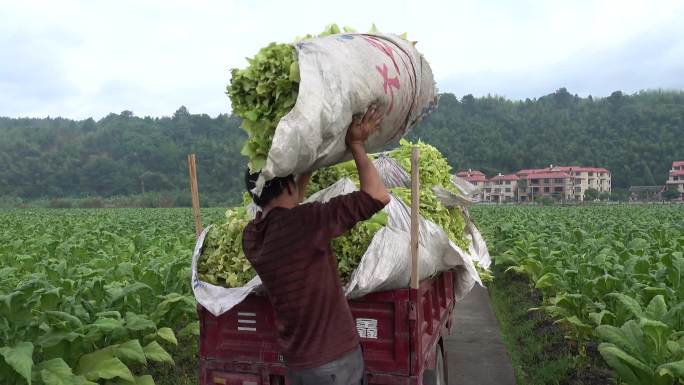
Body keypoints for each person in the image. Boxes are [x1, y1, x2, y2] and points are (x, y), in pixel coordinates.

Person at [242, 104, 390, 385]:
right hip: (335, 363)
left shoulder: (252, 237)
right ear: (287, 186)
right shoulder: (306, 221)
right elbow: (378, 195)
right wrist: (356, 144)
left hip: (299, 365)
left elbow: (286, 207)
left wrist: (305, 170)